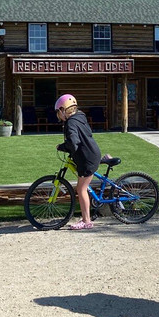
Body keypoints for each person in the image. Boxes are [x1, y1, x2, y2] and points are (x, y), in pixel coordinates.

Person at [54, 94, 102, 230]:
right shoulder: (80, 116)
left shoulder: (70, 123)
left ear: (63, 110)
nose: (58, 116)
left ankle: (86, 221)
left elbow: (74, 143)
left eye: (59, 112)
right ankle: (86, 218)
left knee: (81, 189)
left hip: (87, 157)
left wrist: (62, 147)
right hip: (91, 153)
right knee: (83, 187)